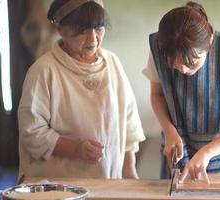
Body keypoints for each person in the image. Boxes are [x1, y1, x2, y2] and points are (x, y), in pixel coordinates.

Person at [18, 0, 145, 181]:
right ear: (61, 29)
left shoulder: (112, 63)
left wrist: (129, 169)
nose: (93, 39)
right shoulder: (43, 71)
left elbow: (128, 120)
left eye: (99, 29)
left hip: (107, 181)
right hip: (58, 186)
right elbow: (31, 132)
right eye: (82, 31)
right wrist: (75, 149)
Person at [143, 1, 220, 183]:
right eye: (174, 64)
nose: (183, 69)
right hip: (179, 162)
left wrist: (207, 151)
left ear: (210, 43)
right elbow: (157, 95)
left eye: (192, 62)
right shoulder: (159, 46)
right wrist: (169, 131)